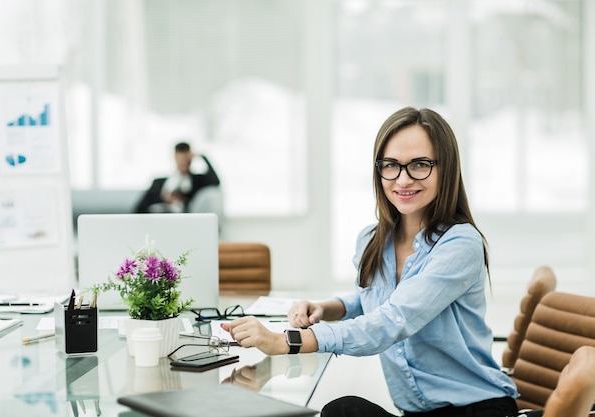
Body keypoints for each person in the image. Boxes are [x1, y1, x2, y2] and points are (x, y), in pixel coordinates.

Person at [221, 107, 520, 416]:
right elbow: (374, 300)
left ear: (447, 169)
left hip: (477, 410)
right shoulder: (373, 239)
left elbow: (392, 320)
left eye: (420, 165)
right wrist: (328, 308)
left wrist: (285, 341)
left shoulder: (460, 244)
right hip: (418, 413)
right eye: (391, 165)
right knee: (343, 410)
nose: (403, 179)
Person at [134, 142, 221, 214]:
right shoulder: (159, 182)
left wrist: (202, 156)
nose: (182, 162)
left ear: (190, 158)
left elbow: (215, 181)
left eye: (185, 158)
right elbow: (139, 208)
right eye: (180, 158)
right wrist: (164, 198)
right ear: (175, 158)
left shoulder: (198, 180)